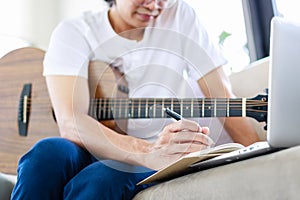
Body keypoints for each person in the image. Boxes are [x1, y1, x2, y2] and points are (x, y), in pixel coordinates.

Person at [11, 0, 260, 199]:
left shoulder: (180, 16)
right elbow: (70, 120)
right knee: (45, 155)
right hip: (95, 144)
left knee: (101, 179)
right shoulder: (75, 31)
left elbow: (221, 96)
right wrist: (147, 151)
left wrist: (261, 153)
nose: (154, 5)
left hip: (159, 150)